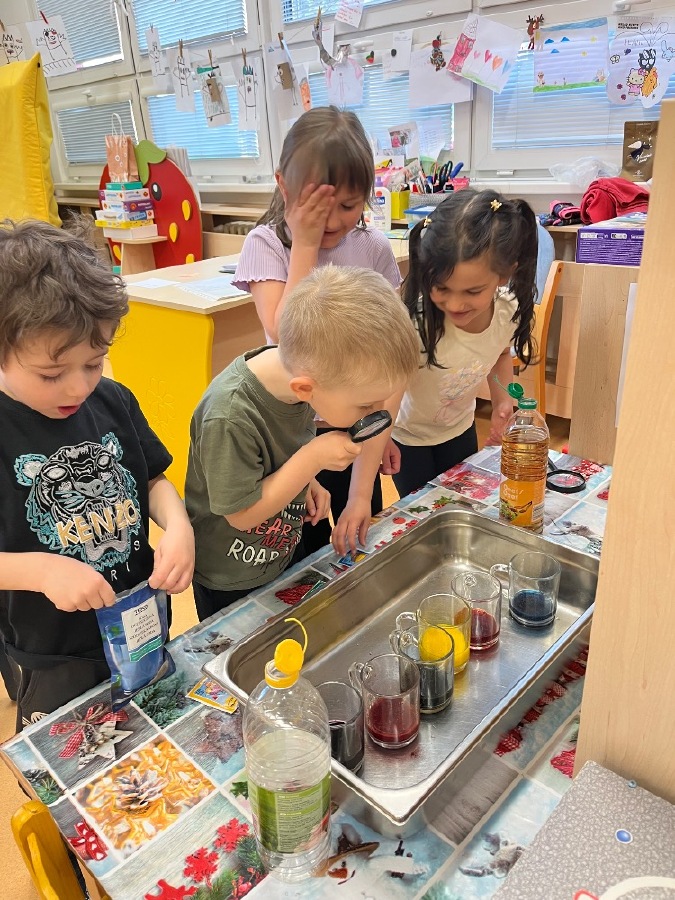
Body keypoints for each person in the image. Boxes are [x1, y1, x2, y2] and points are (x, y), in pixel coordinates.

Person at [0, 220, 195, 731]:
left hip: (140, 617)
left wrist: (178, 525)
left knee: (149, 732)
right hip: (55, 655)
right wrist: (41, 572)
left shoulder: (113, 401)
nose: (78, 388)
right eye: (51, 374)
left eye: (94, 363)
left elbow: (152, 479)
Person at [185, 266, 419, 622]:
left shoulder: (298, 380)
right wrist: (311, 461)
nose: (373, 414)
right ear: (305, 389)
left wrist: (307, 482)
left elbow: (279, 453)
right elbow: (241, 514)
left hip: (279, 550)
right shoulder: (229, 416)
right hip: (231, 574)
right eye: (365, 405)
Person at [233, 106, 403, 555]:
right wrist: (304, 243)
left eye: (348, 206)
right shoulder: (267, 244)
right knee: (301, 555)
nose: (332, 221)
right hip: (293, 437)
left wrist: (364, 485)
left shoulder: (372, 246)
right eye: (316, 207)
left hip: (360, 425)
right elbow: (286, 335)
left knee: (359, 537)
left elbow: (392, 360)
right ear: (284, 187)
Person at [391, 189, 538, 497]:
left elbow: (500, 353)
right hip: (407, 439)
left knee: (460, 501)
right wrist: (379, 442)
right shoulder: (416, 322)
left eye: (472, 292)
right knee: (419, 510)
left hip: (460, 429)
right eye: (441, 288)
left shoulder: (506, 311)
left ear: (504, 275)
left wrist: (502, 400)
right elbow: (387, 388)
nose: (456, 304)